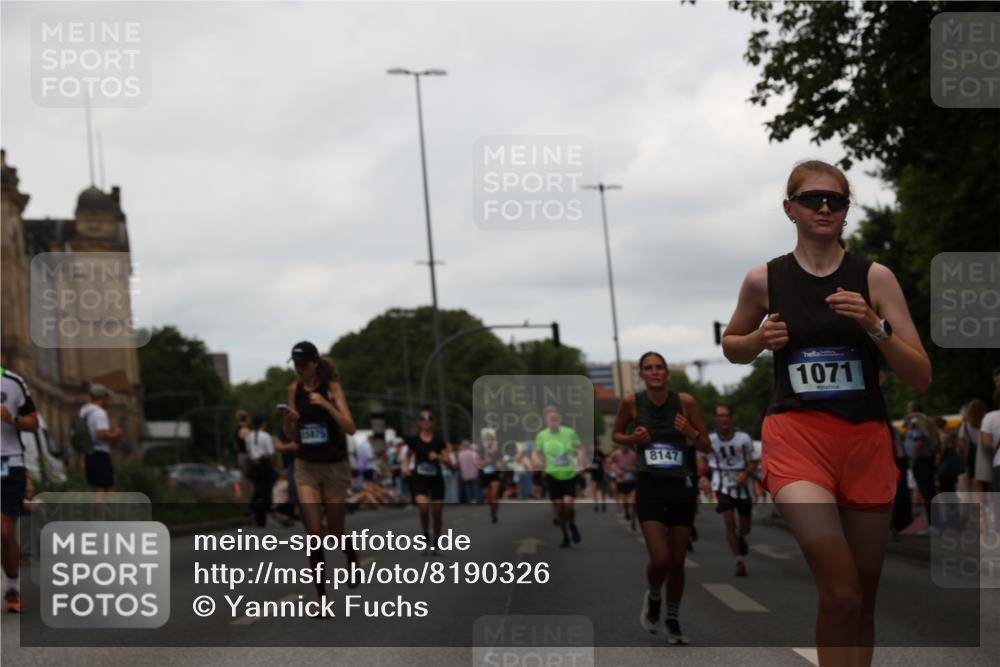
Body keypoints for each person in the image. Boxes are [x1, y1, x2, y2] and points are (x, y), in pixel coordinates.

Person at [722, 160, 931, 667]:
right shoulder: (764, 279)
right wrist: (758, 340)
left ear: (845, 212)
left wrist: (874, 325)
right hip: (797, 439)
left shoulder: (874, 278)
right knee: (839, 591)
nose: (823, 207)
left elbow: (921, 375)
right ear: (789, 208)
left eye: (835, 200)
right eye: (812, 199)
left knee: (860, 599)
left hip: (865, 443)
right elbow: (732, 345)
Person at [612, 351, 710, 644]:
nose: (654, 372)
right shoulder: (632, 402)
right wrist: (633, 439)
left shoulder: (686, 402)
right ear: (641, 375)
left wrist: (689, 431)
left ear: (667, 373)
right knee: (661, 558)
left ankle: (673, 619)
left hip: (681, 485)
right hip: (650, 484)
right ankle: (654, 595)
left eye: (659, 368)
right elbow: (617, 434)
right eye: (648, 369)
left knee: (678, 561)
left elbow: (706, 445)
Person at [280, 341, 358, 606]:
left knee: (335, 534)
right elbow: (293, 436)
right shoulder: (294, 389)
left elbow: (350, 428)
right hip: (306, 466)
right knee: (314, 534)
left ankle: (351, 555)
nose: (299, 369)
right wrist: (288, 422)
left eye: (303, 364)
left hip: (334, 466)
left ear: (314, 363)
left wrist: (326, 404)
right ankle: (321, 598)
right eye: (296, 365)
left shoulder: (332, 388)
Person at [1, 367, 38, 613]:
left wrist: (12, 419)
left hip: (9, 463)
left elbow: (33, 423)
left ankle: (13, 587)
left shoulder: (13, 382)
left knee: (4, 532)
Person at [707, 404, 759, 577]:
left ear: (731, 418)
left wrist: (746, 474)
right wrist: (702, 477)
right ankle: (739, 561)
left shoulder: (743, 438)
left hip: (743, 483)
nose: (724, 418)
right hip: (721, 482)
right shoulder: (711, 439)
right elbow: (702, 460)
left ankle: (741, 536)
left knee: (745, 527)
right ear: (715, 419)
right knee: (729, 523)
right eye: (720, 415)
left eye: (727, 415)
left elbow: (754, 460)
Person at [402, 407, 455, 553]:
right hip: (419, 479)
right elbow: (407, 456)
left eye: (429, 418)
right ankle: (425, 533)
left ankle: (436, 541)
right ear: (419, 422)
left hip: (436, 479)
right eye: (423, 419)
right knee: (423, 507)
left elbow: (449, 462)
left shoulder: (439, 442)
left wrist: (438, 457)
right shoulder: (413, 440)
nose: (426, 422)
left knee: (437, 514)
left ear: (433, 422)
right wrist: (405, 468)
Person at [533, 406, 586, 548]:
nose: (553, 420)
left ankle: (572, 524)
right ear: (546, 421)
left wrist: (581, 460)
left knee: (568, 506)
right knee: (558, 509)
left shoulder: (570, 433)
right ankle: (565, 537)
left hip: (569, 474)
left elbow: (580, 448)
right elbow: (537, 452)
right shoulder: (541, 436)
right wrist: (539, 462)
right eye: (550, 418)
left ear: (559, 419)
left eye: (555, 417)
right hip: (552, 475)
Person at [79, 384, 123, 498]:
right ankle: (101, 516)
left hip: (88, 453)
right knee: (102, 487)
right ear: (103, 397)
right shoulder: (99, 413)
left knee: (98, 487)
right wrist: (115, 435)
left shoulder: (84, 411)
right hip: (100, 453)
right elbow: (101, 434)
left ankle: (100, 515)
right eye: (107, 396)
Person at [904, 402, 938, 531]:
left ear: (912, 410)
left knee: (926, 492)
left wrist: (914, 459)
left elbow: (919, 442)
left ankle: (932, 524)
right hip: (928, 460)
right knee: (930, 491)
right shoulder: (926, 421)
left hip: (921, 461)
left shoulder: (916, 422)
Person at [246, 416, 277, 528]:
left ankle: (253, 510)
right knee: (266, 489)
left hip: (254, 464)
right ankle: (266, 512)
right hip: (264, 464)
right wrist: (273, 466)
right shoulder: (265, 436)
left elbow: (248, 452)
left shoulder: (249, 436)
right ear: (263, 424)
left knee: (257, 488)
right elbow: (271, 453)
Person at [957, 399, 986, 494]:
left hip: (972, 456)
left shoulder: (965, 425)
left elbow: (961, 444)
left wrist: (964, 456)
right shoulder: (987, 422)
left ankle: (979, 506)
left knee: (975, 482)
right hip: (986, 454)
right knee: (988, 482)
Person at [608, 442, 638, 529]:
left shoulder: (633, 454)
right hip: (621, 480)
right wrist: (616, 470)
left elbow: (638, 464)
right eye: (622, 445)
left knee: (633, 501)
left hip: (632, 480)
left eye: (626, 445)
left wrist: (634, 470)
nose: (624, 447)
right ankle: (626, 511)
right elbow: (610, 462)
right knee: (625, 501)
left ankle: (633, 520)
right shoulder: (616, 453)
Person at [478, 429, 505, 523]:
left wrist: (500, 464)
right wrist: (486, 461)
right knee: (489, 498)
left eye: (491, 439)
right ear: (484, 441)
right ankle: (492, 509)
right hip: (484, 475)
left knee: (494, 495)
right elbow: (478, 464)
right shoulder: (480, 450)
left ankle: (495, 513)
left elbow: (501, 463)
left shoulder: (497, 451)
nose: (489, 441)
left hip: (494, 475)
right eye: (487, 440)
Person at [458, 440, 481, 504]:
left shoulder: (460, 454)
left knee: (467, 487)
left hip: (465, 473)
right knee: (475, 486)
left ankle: (469, 500)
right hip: (474, 472)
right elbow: (477, 462)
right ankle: (476, 499)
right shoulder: (473, 453)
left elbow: (459, 464)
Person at [588, 446, 608, 512]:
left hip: (601, 474)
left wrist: (605, 469)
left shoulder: (600, 453)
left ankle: (603, 503)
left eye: (594, 446)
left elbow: (606, 461)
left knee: (603, 490)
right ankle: (596, 505)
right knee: (594, 490)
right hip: (594, 475)